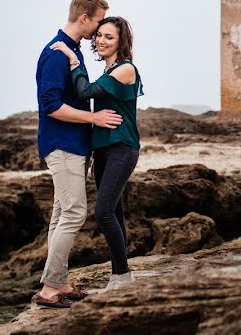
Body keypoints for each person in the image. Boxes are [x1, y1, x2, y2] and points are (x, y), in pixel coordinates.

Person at [34, 0, 122, 309]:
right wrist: (93, 117)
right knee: (73, 213)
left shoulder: (71, 51)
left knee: (61, 214)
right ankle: (48, 290)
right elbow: (50, 105)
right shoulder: (57, 53)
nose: (98, 31)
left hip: (72, 146)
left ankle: (60, 282)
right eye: (98, 22)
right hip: (63, 145)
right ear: (84, 17)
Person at [50, 15, 143, 291]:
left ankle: (123, 275)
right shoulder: (108, 71)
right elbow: (97, 111)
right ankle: (121, 275)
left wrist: (73, 59)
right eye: (99, 35)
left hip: (123, 149)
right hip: (104, 152)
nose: (101, 40)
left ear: (121, 42)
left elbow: (85, 91)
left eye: (109, 37)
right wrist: (93, 155)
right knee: (114, 211)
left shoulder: (125, 69)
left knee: (103, 212)